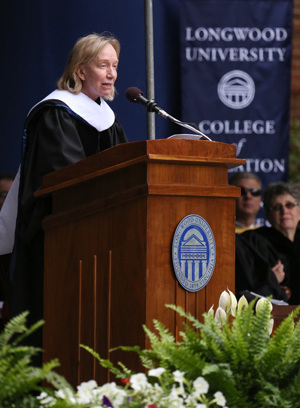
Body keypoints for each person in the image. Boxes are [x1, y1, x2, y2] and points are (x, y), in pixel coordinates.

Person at [0, 33, 127, 345]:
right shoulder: (57, 112)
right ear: (81, 71)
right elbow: (66, 176)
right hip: (61, 238)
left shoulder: (107, 119)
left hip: (101, 239)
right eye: (103, 65)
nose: (111, 74)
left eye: (115, 65)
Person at [235, 182, 300, 304]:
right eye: (276, 207)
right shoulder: (254, 242)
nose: (284, 211)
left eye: (289, 205)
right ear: (268, 216)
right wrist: (271, 280)